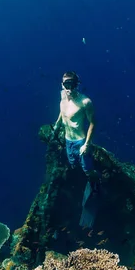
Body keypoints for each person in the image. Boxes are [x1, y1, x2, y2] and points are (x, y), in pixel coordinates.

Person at [52, 71, 100, 228]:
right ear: (62, 84)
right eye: (67, 84)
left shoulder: (85, 102)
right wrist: (57, 125)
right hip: (68, 140)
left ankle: (95, 185)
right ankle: (81, 182)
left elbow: (93, 122)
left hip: (80, 141)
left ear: (77, 85)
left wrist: (87, 144)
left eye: (72, 84)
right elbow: (62, 112)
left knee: (87, 169)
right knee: (73, 164)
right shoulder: (62, 96)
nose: (69, 88)